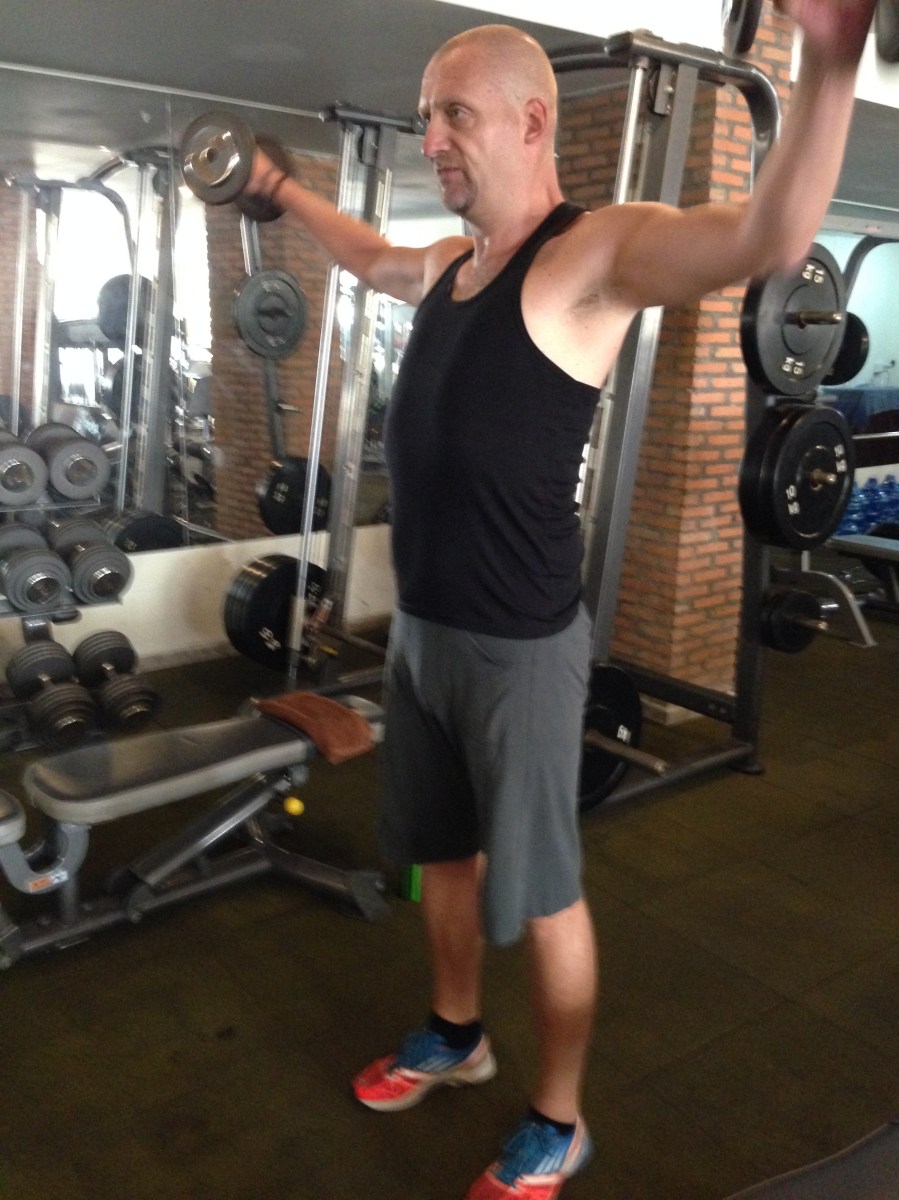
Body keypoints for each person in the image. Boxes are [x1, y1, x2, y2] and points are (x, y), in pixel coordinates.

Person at [246, 4, 877, 1196]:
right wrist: (283, 194)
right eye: (426, 116)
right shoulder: (449, 269)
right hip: (422, 634)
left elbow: (764, 236)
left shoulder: (593, 255)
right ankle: (455, 1033)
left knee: (542, 897)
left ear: (531, 123)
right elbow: (370, 256)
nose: (433, 137)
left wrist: (830, 60)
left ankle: (558, 1117)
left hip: (518, 651)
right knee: (439, 859)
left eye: (453, 114)